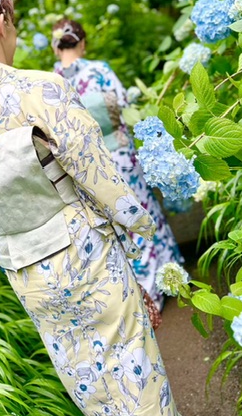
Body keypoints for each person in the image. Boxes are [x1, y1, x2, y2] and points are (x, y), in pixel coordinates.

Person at [0, 0, 187, 416]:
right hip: (86, 256)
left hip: (28, 271)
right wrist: (138, 222)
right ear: (1, 24)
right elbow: (95, 169)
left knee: (91, 388)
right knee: (136, 375)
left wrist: (8, 254)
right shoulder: (39, 88)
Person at [51, 19, 183, 309]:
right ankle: (168, 277)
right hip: (120, 154)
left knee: (117, 222)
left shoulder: (51, 82)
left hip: (87, 166)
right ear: (82, 43)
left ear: (56, 46)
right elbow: (123, 107)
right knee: (142, 210)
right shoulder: (100, 71)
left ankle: (143, 294)